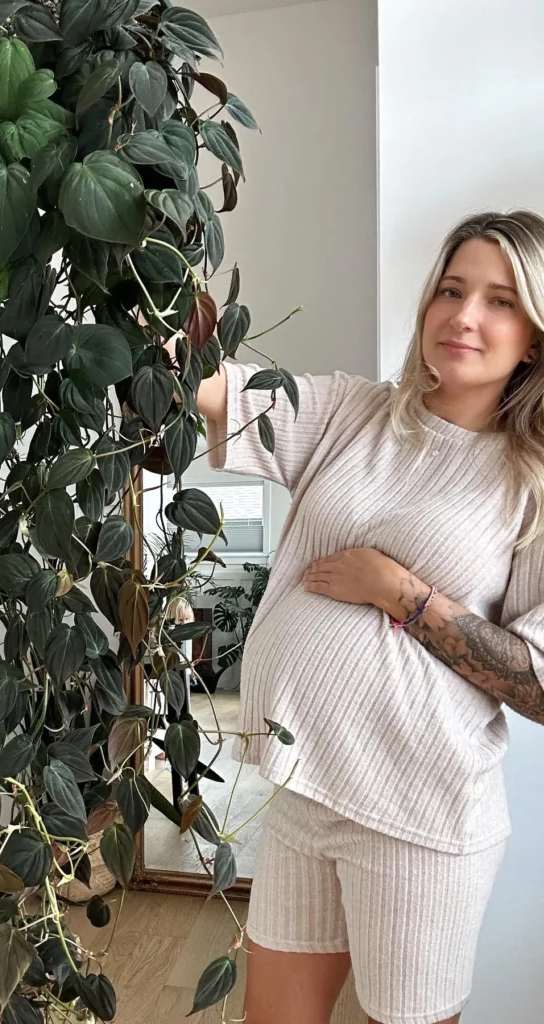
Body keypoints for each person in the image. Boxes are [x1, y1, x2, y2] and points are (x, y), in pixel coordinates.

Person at [191, 210, 544, 1024]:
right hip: (306, 788)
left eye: (498, 301)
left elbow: (537, 688)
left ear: (531, 337)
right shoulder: (353, 413)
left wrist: (400, 593)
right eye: (450, 291)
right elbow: (205, 386)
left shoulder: (529, 483)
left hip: (417, 816)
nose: (463, 316)